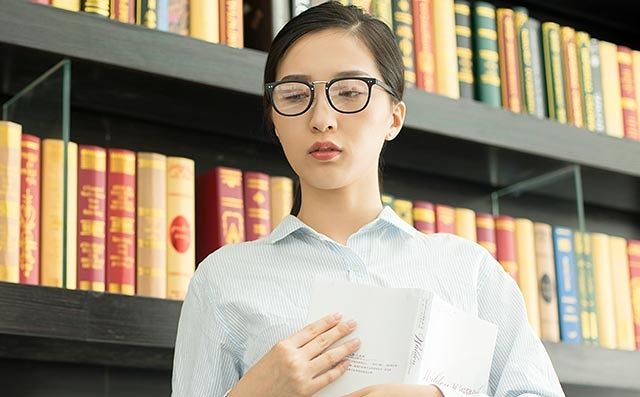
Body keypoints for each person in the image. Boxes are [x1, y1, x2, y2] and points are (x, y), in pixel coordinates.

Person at [172, 2, 565, 396]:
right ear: (274, 119)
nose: (322, 118)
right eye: (294, 96)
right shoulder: (223, 279)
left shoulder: (469, 272)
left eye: (349, 92)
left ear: (394, 117)